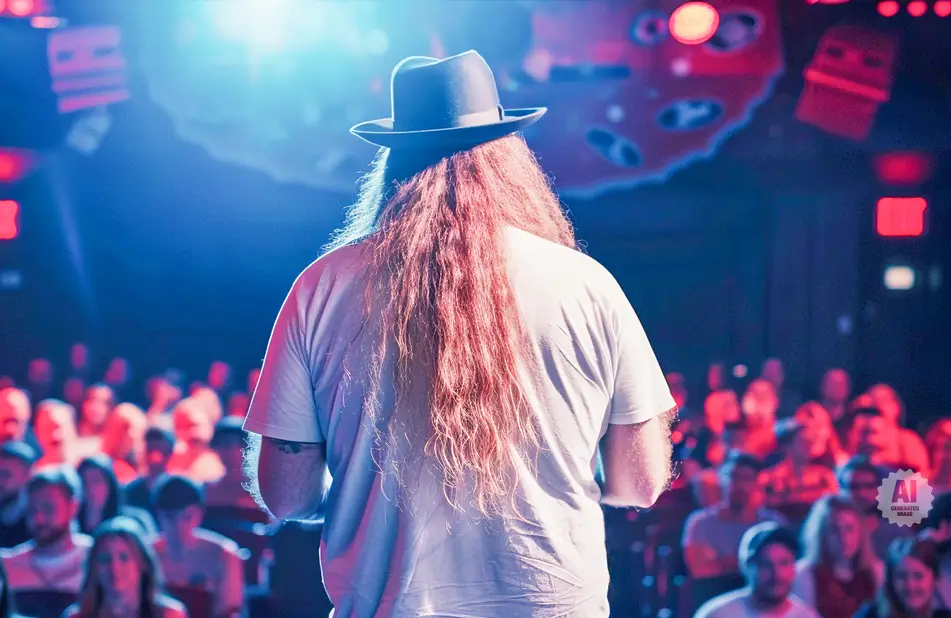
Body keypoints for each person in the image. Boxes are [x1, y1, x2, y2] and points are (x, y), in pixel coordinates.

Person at [243, 50, 675, 617]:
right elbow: (639, 484)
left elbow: (288, 495)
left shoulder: (321, 288)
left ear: (393, 160)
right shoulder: (586, 286)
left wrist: (364, 502)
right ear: (509, 157)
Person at [150, 476, 243, 618]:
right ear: (158, 516)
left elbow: (229, 612)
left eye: (187, 517)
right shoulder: (146, 553)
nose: (179, 527)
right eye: (170, 518)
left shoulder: (224, 553)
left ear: (200, 515)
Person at [62, 517, 187, 618]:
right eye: (105, 559)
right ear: (94, 567)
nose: (114, 568)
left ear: (142, 563)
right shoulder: (76, 616)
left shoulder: (170, 615)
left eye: (124, 558)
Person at [693, 521, 819, 618]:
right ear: (746, 567)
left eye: (784, 563)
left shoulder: (806, 615)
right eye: (765, 564)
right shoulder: (718, 614)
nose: (776, 573)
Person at [1, 465, 93, 593]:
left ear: (73, 508)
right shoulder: (7, 565)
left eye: (48, 508)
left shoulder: (97, 559)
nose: (39, 519)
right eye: (32, 510)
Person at [792, 495, 882, 618]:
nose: (843, 537)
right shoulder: (804, 574)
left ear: (860, 532)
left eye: (849, 529)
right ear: (821, 535)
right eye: (835, 530)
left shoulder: (876, 572)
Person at [852, 538, 940, 618]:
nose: (910, 585)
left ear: (933, 578)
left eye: (918, 576)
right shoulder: (869, 614)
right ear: (890, 581)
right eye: (901, 576)